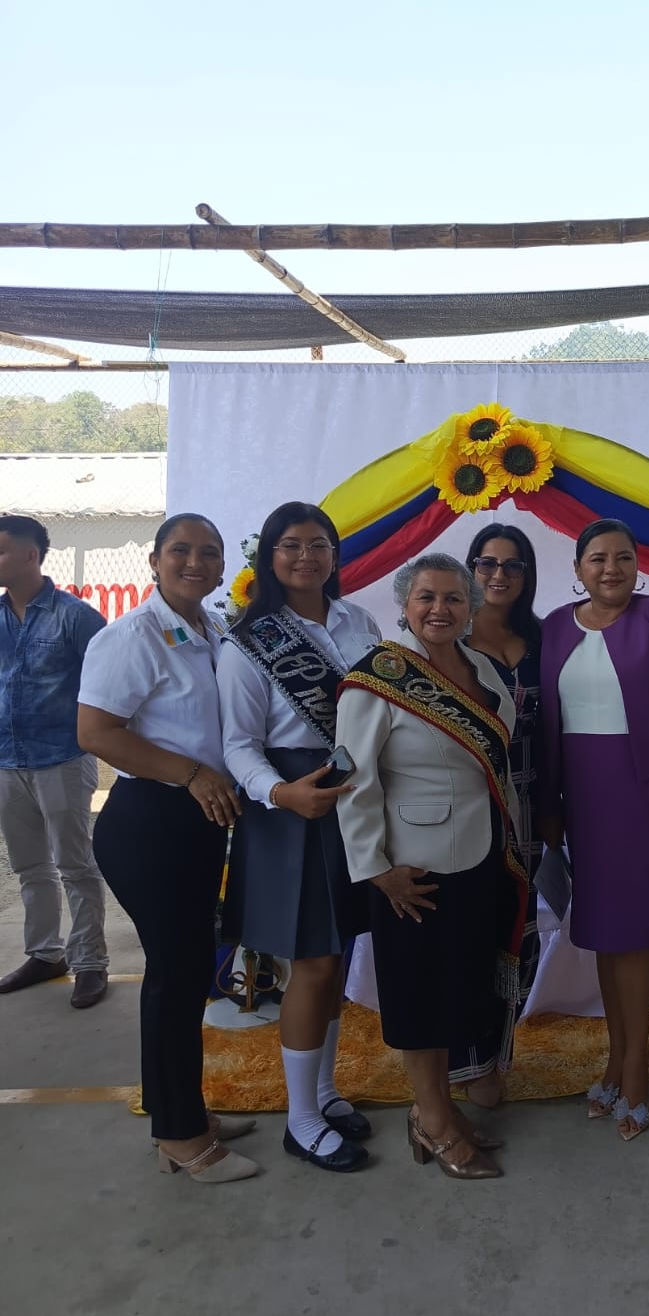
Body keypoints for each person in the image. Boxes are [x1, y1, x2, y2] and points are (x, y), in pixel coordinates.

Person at [77, 514, 258, 1184]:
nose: (194, 562)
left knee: (185, 975)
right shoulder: (130, 637)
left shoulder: (215, 630)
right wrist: (190, 774)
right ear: (154, 560)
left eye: (208, 552)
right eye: (180, 550)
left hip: (198, 820)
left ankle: (182, 1110)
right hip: (152, 822)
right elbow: (96, 731)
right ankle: (182, 1137)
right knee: (176, 976)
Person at [336, 552, 528, 1182]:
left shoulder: (482, 669)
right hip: (411, 869)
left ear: (471, 607)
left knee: (455, 988)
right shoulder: (378, 676)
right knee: (419, 995)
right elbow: (353, 781)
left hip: (479, 853)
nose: (439, 609)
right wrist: (376, 869)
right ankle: (433, 1121)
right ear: (405, 605)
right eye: (426, 597)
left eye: (452, 598)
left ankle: (438, 1108)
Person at [218, 502, 381, 1174]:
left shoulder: (359, 621)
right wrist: (282, 793)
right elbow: (237, 743)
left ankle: (324, 1092)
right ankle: (301, 1120)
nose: (306, 557)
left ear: (335, 555)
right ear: (269, 556)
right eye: (291, 545)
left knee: (335, 955)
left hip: (355, 795)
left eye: (318, 544)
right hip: (292, 803)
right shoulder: (247, 640)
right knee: (312, 962)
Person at [539, 519, 649, 1140]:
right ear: (578, 568)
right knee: (606, 937)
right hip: (583, 800)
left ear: (638, 565)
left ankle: (635, 1069)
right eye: (598, 559)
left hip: (644, 798)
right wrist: (550, 805)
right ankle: (616, 1056)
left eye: (624, 558)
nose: (611, 569)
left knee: (636, 938)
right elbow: (547, 720)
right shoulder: (555, 626)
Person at [0, 514, 109, 1008]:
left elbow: (107, 686)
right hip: (8, 760)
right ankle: (45, 954)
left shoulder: (76, 617)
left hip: (62, 758)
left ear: (30, 555)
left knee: (75, 864)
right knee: (29, 865)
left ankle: (90, 962)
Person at [462, 522, 543, 1107]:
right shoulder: (449, 639)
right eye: (486, 563)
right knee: (473, 931)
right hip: (471, 807)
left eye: (512, 565)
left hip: (531, 807)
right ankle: (467, 1063)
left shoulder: (543, 638)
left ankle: (499, 1055)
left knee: (522, 933)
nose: (498, 574)